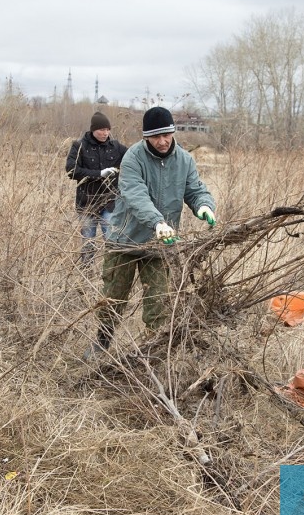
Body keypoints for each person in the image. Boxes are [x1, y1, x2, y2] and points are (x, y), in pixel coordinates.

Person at [88, 106, 216, 359]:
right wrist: (157, 222)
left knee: (159, 304)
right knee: (113, 298)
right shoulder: (133, 158)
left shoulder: (184, 160)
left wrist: (204, 205)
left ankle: (153, 354)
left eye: (166, 134)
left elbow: (195, 189)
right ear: (146, 137)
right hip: (124, 240)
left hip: (160, 246)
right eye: (156, 136)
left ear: (173, 132)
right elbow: (136, 196)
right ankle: (102, 342)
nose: (162, 141)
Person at [65, 111, 128, 264]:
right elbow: (71, 170)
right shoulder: (79, 146)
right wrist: (99, 174)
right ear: (93, 129)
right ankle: (86, 275)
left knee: (112, 239)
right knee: (88, 243)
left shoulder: (116, 147)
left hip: (109, 203)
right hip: (86, 204)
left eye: (107, 129)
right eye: (101, 130)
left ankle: (113, 270)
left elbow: (134, 157)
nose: (105, 133)